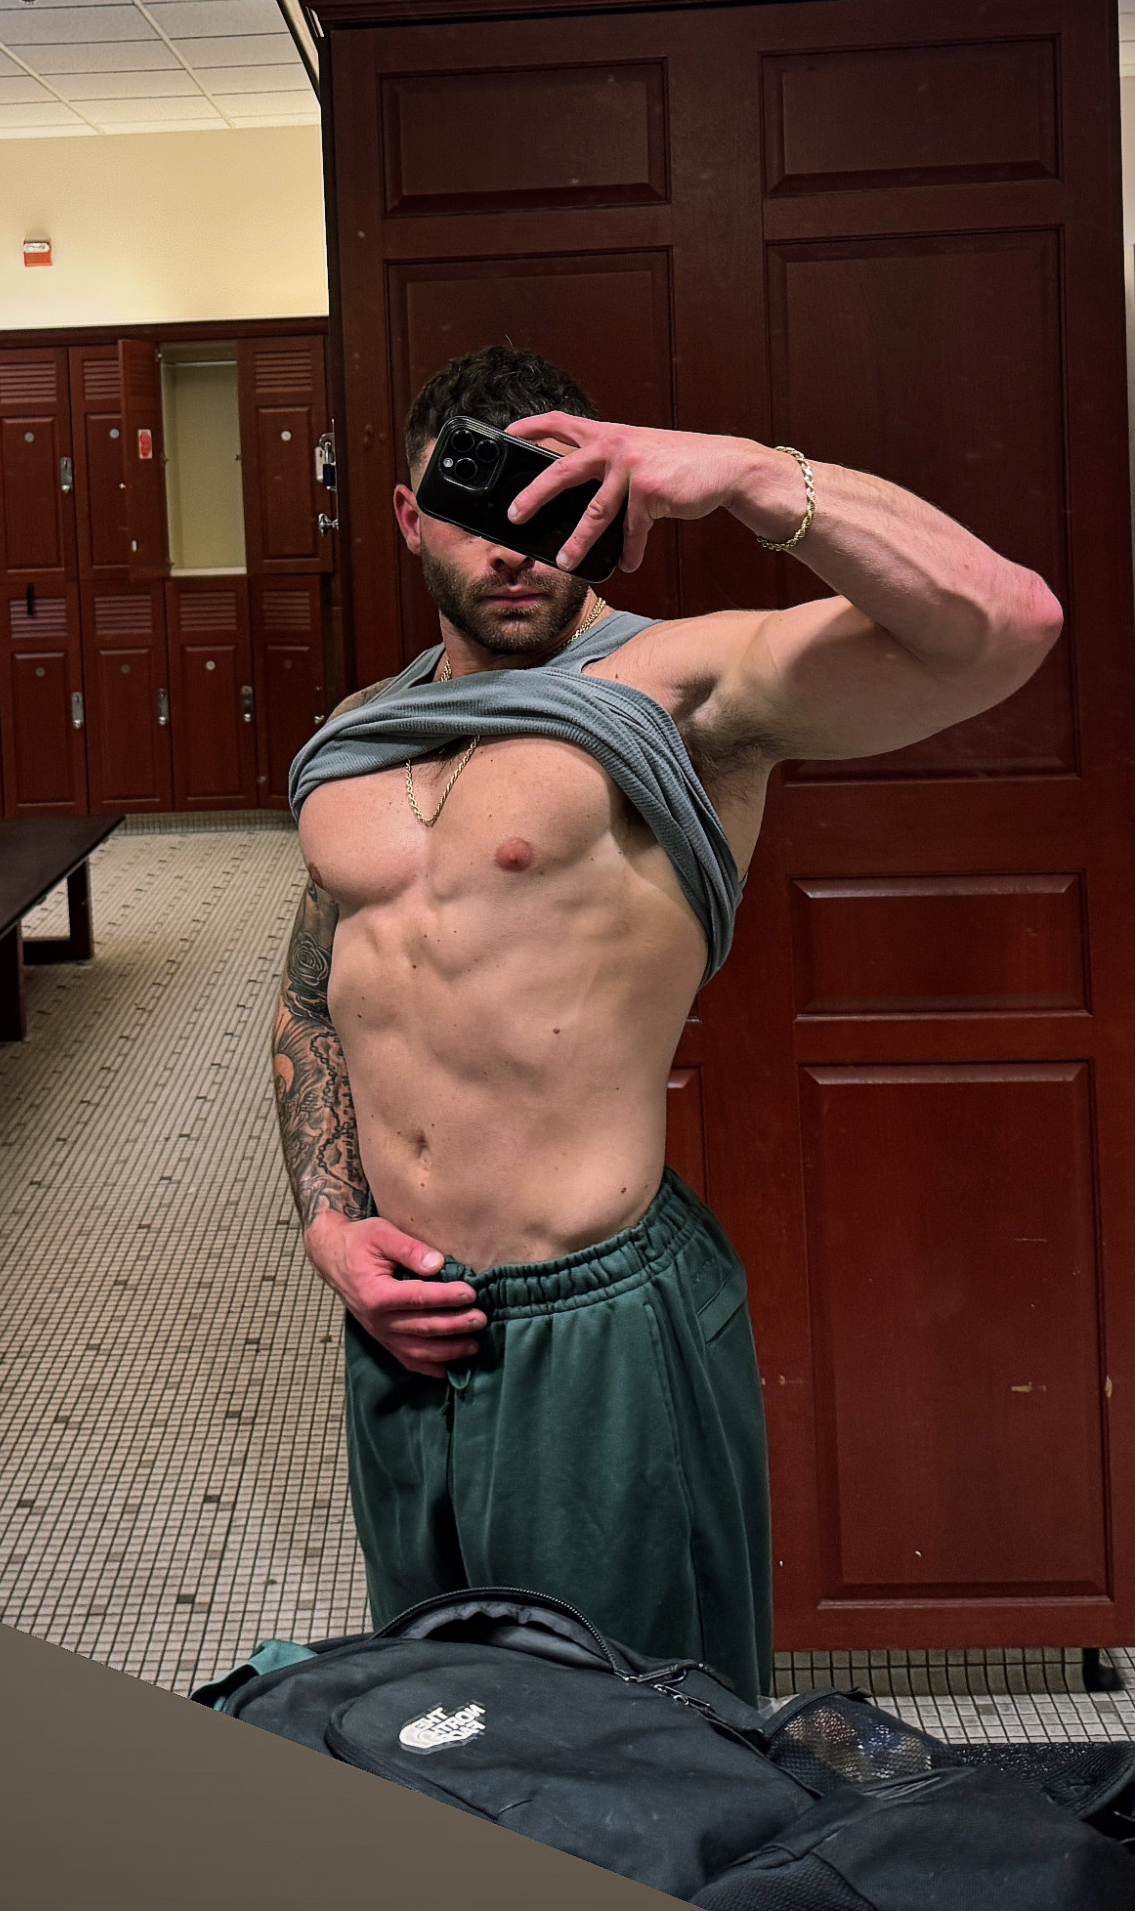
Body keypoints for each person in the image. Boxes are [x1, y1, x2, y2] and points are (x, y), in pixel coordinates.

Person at [273, 346, 1061, 1701]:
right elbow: (311, 993)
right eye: (473, 501)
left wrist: (751, 476)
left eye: (549, 500)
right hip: (401, 1331)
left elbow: (1007, 625)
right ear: (409, 516)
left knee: (640, 1744)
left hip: (595, 1326)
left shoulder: (683, 688)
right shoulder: (362, 730)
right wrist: (331, 1225)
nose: (512, 545)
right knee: (443, 1721)